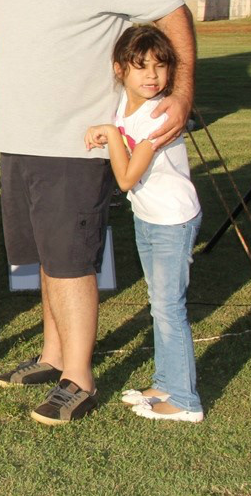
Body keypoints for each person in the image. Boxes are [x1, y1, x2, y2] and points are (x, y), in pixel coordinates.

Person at [0, 0, 195, 425]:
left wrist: (183, 95)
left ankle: (79, 379)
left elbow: (173, 12)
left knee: (71, 264)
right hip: (17, 142)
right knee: (44, 259)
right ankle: (51, 357)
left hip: (76, 144)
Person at [85, 27, 203, 423]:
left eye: (161, 65)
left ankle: (185, 401)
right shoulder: (126, 103)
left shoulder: (159, 113)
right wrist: (109, 129)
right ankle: (166, 382)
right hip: (148, 216)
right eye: (141, 67)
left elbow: (126, 178)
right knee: (159, 304)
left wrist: (111, 135)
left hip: (173, 220)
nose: (152, 75)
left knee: (170, 308)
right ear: (120, 70)